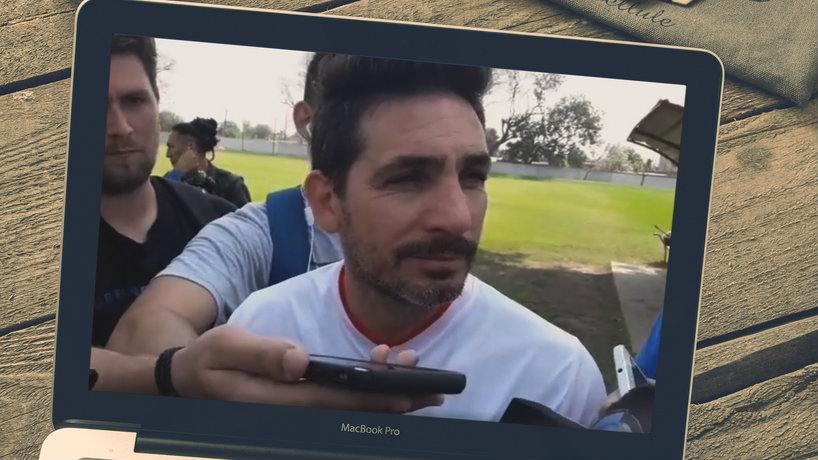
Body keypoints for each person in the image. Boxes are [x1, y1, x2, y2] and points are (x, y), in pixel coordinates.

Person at [227, 55, 607, 425]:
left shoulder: (556, 376)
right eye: (408, 178)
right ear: (328, 202)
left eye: (472, 177)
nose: (458, 218)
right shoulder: (259, 330)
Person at [98, 51, 438, 413]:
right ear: (307, 120)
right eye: (363, 114)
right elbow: (146, 328)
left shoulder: (447, 240)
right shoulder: (257, 232)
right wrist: (200, 379)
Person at [92, 36, 236, 347]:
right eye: (93, 103)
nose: (120, 127)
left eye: (134, 100)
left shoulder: (222, 225)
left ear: (157, 100)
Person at [165, 117, 252, 207]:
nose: (167, 155)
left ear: (191, 146)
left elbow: (247, 220)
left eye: (171, 147)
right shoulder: (169, 180)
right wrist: (176, 174)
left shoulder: (231, 186)